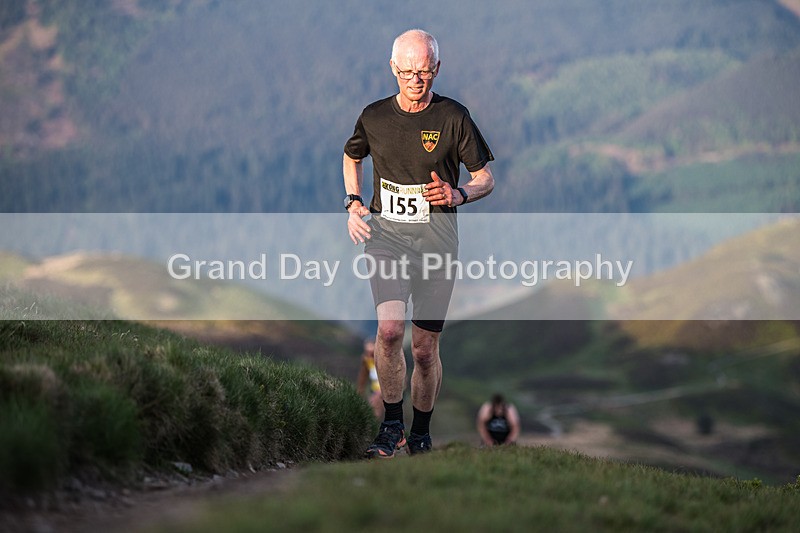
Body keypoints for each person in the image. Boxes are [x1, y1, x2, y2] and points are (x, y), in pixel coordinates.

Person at [343, 29, 495, 458]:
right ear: (393, 68)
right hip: (387, 239)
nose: (416, 79)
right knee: (389, 332)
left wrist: (459, 193)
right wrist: (354, 203)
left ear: (437, 70)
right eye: (408, 71)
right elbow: (352, 155)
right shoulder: (373, 117)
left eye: (425, 71)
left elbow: (485, 178)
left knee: (425, 349)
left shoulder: (454, 117)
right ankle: (392, 427)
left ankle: (422, 433)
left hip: (437, 246)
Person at [355, 338, 384, 419]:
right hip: (375, 391)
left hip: (384, 392)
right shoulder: (367, 360)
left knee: (375, 409)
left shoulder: (383, 360)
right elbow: (362, 378)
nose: (370, 355)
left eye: (372, 353)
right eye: (367, 352)